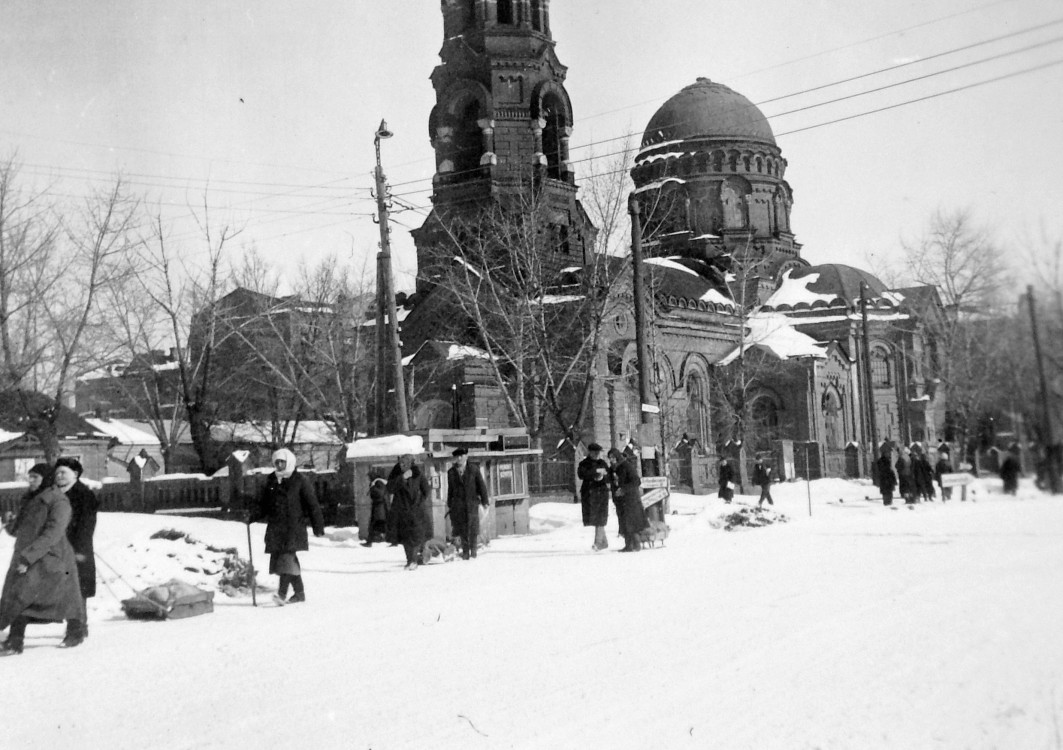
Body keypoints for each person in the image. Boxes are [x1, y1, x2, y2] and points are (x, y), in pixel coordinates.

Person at [1, 463, 85, 655]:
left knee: (55, 598)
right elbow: (18, 530)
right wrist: (9, 522)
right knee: (19, 596)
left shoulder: (58, 501)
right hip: (28, 556)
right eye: (29, 477)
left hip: (52, 558)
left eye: (35, 477)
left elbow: (52, 533)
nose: (30, 481)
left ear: (46, 479)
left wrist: (29, 556)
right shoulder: (30, 499)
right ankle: (15, 641)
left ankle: (76, 630)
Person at [251, 449, 325, 604]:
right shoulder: (271, 480)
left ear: (289, 462)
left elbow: (312, 505)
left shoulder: (299, 480)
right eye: (276, 462)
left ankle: (282, 594)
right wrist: (252, 517)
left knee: (285, 561)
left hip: (293, 528)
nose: (279, 465)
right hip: (276, 528)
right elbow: (264, 504)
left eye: (282, 462)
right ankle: (299, 594)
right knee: (285, 562)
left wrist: (318, 526)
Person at [54, 456, 98, 645]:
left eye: (63, 472)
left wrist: (79, 550)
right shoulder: (54, 494)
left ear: (76, 474)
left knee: (78, 588)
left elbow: (87, 525)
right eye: (57, 473)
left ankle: (76, 630)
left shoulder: (84, 495)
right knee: (66, 588)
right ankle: (79, 624)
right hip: (57, 549)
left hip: (77, 549)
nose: (59, 476)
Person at [386, 454, 432, 570]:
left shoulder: (418, 474)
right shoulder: (395, 474)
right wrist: (402, 478)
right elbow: (390, 488)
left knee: (415, 537)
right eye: (400, 464)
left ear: (410, 464)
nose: (402, 466)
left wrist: (419, 502)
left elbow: (426, 490)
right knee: (406, 538)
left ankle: (414, 561)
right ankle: (410, 561)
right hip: (402, 511)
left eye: (404, 464)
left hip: (416, 511)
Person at [446, 447, 489, 560]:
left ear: (466, 456)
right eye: (457, 456)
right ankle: (465, 553)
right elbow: (450, 490)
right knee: (462, 529)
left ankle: (473, 552)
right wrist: (450, 503)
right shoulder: (451, 472)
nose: (459, 458)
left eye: (461, 456)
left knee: (473, 528)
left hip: (471, 504)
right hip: (458, 505)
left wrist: (485, 501)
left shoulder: (473, 469)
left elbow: (481, 486)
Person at [610, 448, 648, 552]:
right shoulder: (613, 469)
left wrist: (623, 489)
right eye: (610, 458)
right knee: (624, 522)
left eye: (613, 457)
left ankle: (634, 545)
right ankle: (631, 545)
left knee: (631, 522)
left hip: (630, 499)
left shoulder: (626, 466)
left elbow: (636, 481)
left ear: (618, 457)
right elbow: (610, 480)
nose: (611, 459)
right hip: (620, 500)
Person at [577, 443, 612, 551]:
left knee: (600, 518)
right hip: (589, 494)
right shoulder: (584, 463)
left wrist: (604, 476)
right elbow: (581, 474)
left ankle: (598, 542)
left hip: (601, 493)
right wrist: (595, 472)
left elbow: (609, 476)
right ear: (590, 452)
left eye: (599, 452)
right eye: (595, 452)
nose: (597, 455)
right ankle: (603, 542)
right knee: (595, 518)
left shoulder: (603, 463)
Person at [361, 475, 389, 547]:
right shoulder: (379, 482)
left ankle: (370, 542)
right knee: (375, 526)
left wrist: (372, 487)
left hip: (379, 508)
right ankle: (370, 541)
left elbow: (379, 493)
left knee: (374, 525)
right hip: (379, 508)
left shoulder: (378, 482)